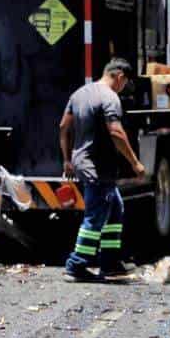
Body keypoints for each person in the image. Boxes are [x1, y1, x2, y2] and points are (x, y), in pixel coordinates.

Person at [60, 57, 146, 281]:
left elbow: (64, 127)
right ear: (119, 77)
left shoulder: (79, 94)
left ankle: (110, 262)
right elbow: (116, 132)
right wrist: (135, 162)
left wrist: (67, 159)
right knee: (96, 214)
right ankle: (76, 265)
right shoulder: (110, 97)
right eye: (124, 83)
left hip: (83, 161)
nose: (123, 87)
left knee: (115, 207)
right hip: (96, 166)